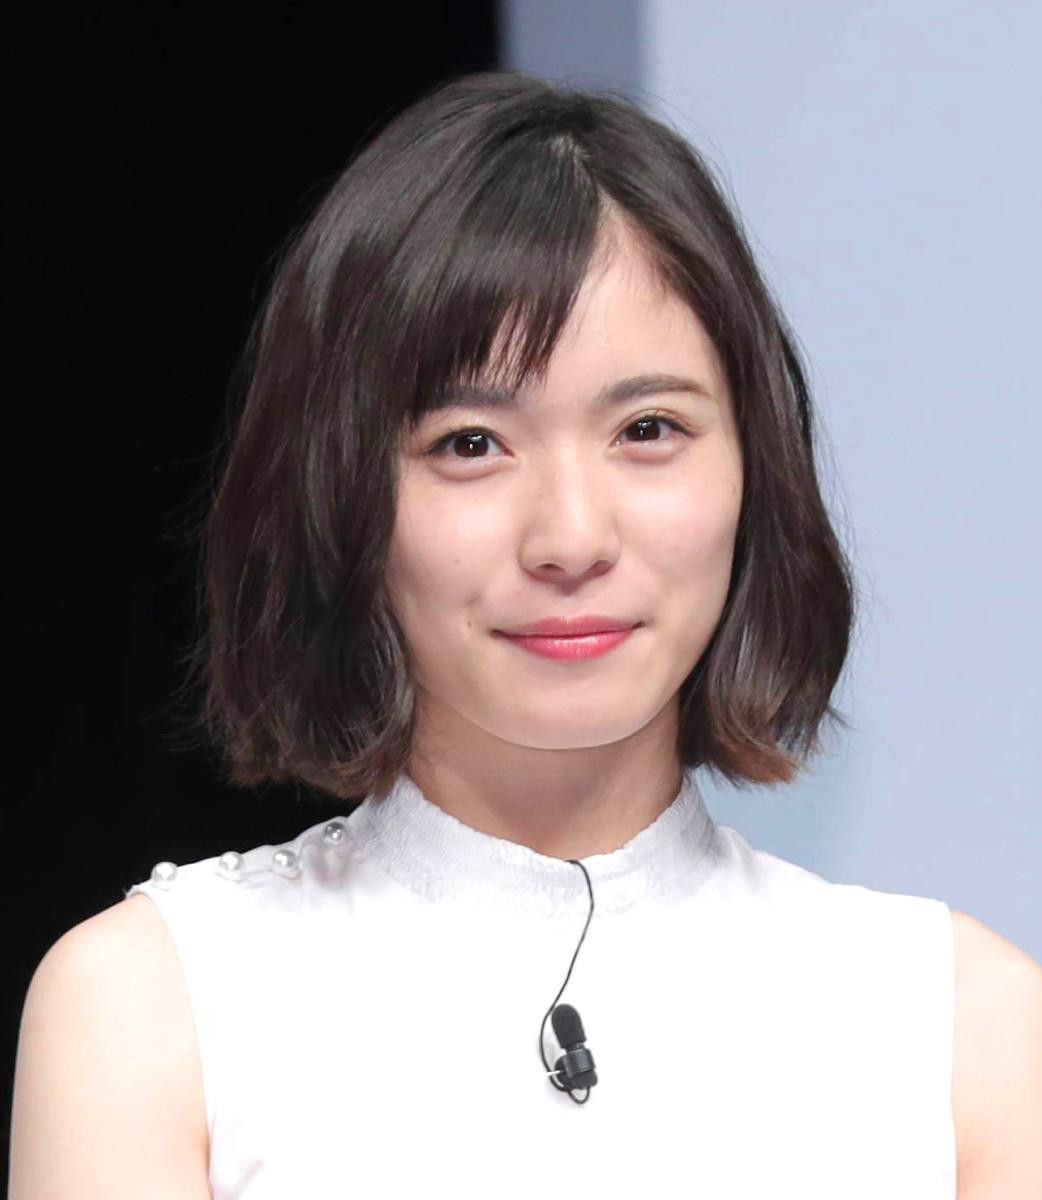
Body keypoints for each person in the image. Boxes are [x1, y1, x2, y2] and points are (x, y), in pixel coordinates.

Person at [9, 69, 1041, 1199]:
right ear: (337, 493)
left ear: (756, 471)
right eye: (470, 444)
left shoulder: (963, 1028)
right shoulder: (156, 1008)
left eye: (648, 429)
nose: (570, 537)